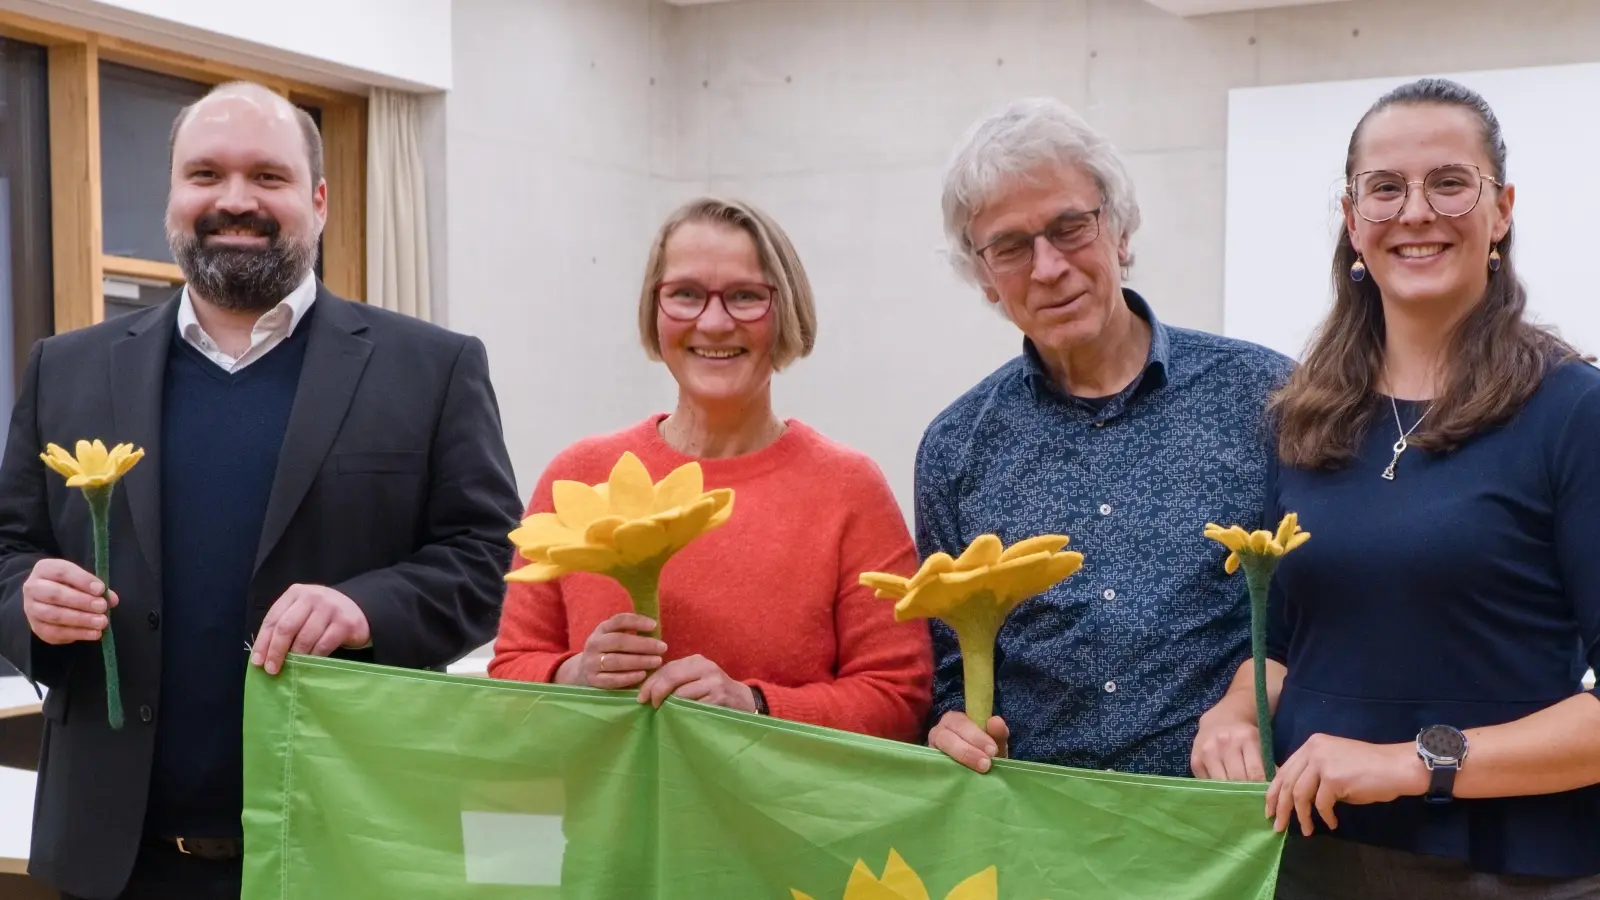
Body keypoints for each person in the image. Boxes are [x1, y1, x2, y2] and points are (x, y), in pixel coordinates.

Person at [0, 81, 523, 900]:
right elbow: (8, 551)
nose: (234, 200)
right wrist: (25, 600)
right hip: (116, 861)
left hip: (344, 848)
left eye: (268, 177)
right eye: (205, 174)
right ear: (171, 196)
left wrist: (369, 609)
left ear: (317, 201)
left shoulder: (432, 368)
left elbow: (489, 560)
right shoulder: (65, 369)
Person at [1191, 78, 1600, 898]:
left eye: (1450, 182)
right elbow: (1287, 646)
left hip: (1509, 872)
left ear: (1502, 210)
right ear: (1352, 219)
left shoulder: (1574, 413)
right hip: (1312, 859)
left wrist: (1410, 763)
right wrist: (1234, 713)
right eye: (1385, 188)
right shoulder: (1306, 417)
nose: (1416, 211)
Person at [917, 97, 1293, 777]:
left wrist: (1245, 702)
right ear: (983, 279)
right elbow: (949, 670)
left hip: (1232, 835)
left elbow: (1317, 614)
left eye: (1070, 228)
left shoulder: (1267, 396)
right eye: (1009, 247)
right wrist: (951, 728)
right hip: (1045, 846)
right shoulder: (954, 450)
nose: (1048, 267)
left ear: (1120, 231)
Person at [490, 196, 932, 741]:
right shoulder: (577, 476)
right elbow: (509, 675)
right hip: (605, 819)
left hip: (783, 822)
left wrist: (754, 705)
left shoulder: (849, 489)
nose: (714, 322)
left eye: (746, 297)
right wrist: (572, 674)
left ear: (786, 308)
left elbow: (900, 699)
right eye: (686, 295)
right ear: (655, 309)